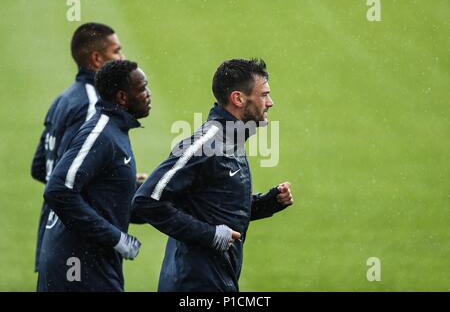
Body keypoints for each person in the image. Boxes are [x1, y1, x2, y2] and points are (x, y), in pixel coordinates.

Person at [131, 58, 294, 292]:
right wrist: (210, 235)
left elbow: (213, 208)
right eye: (264, 95)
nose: (270, 102)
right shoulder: (204, 145)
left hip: (215, 281)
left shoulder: (232, 140)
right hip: (194, 285)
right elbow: (146, 201)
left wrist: (266, 204)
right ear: (238, 98)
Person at [37, 60, 152, 291]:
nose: (148, 94)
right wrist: (116, 238)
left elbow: (105, 199)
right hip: (77, 266)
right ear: (121, 97)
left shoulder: (115, 130)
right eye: (142, 88)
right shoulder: (100, 133)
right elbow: (58, 190)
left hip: (94, 261)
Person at [31, 22, 126, 272]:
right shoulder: (93, 105)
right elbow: (68, 179)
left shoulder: (63, 99)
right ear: (96, 59)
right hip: (79, 249)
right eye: (116, 51)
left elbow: (40, 167)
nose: (123, 58)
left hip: (51, 241)